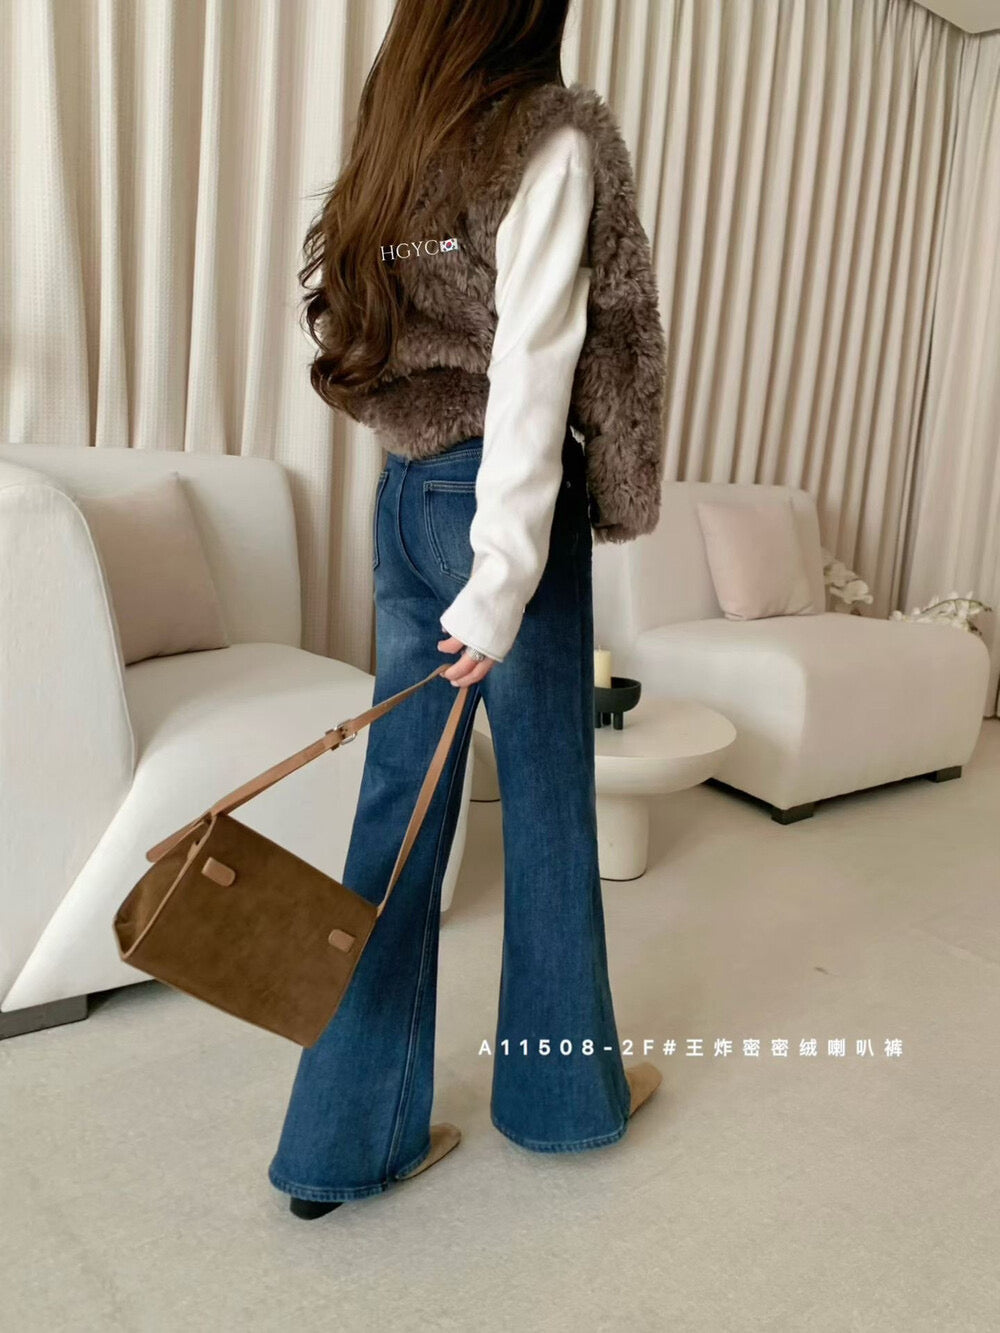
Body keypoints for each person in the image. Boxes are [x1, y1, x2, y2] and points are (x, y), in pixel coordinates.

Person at [268, 0, 668, 1218]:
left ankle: (341, 1142)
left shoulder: (401, 137)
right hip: (499, 507)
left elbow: (378, 328)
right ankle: (561, 1100)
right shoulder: (548, 142)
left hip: (405, 495)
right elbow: (534, 373)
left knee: (395, 815)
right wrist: (501, 583)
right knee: (545, 810)